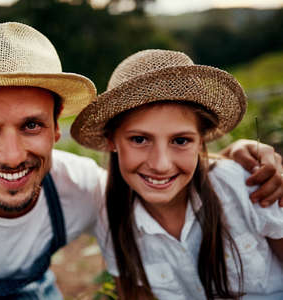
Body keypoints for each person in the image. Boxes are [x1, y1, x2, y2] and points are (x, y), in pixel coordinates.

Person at [0, 23, 280, 300]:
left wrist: (232, 161)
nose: (11, 155)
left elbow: (157, 168)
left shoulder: (86, 186)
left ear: (55, 127)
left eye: (30, 125)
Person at [71, 49, 283, 299]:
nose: (161, 164)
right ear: (111, 141)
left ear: (201, 140)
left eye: (181, 140)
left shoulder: (248, 185)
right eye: (139, 139)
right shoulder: (111, 216)